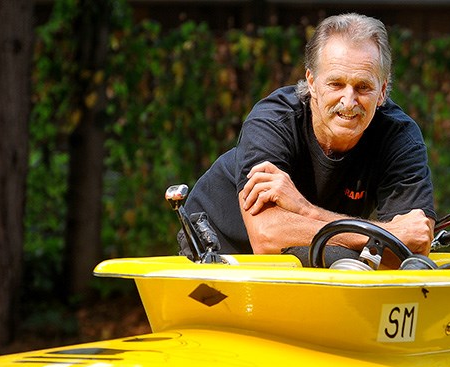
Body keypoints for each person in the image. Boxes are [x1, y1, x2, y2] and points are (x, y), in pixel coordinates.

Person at [181, 13, 436, 264]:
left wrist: (305, 210)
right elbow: (268, 237)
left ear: (381, 91)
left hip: (309, 250)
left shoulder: (399, 136)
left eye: (363, 87)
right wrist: (386, 233)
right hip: (219, 244)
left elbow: (414, 244)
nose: (349, 101)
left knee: (346, 261)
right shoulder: (272, 120)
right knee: (342, 259)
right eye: (336, 84)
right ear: (311, 82)